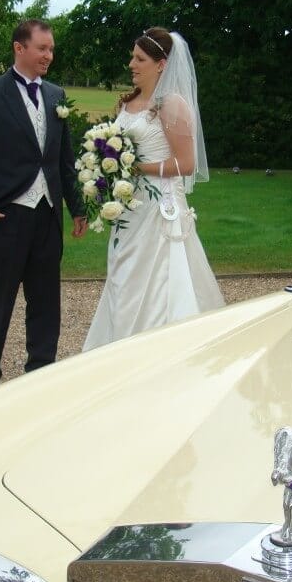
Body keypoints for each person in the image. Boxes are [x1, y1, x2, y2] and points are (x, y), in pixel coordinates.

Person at [0, 19, 87, 392]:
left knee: (46, 306)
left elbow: (63, 160)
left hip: (46, 217)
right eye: (42, 48)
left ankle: (39, 382)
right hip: (4, 218)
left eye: (51, 49)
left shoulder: (57, 96)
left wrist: (77, 208)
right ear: (19, 48)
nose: (49, 55)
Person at [83, 27, 224, 351]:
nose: (132, 64)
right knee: (122, 278)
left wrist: (134, 167)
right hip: (130, 210)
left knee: (160, 283)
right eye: (133, 57)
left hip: (159, 211)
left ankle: (158, 350)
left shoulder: (171, 106)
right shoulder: (129, 103)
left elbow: (186, 164)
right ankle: (118, 346)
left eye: (140, 58)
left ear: (161, 64)